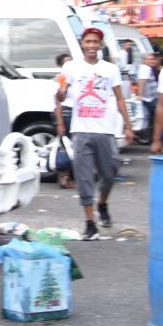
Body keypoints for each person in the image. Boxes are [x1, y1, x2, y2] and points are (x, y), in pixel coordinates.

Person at [56, 26, 134, 240]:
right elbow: (60, 96)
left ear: (100, 45)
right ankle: (90, 223)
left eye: (95, 42)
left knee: (109, 173)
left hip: (105, 129)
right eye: (88, 42)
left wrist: (128, 125)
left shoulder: (110, 69)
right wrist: (61, 94)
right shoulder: (71, 67)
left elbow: (119, 98)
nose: (91, 45)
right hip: (81, 130)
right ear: (82, 44)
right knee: (84, 178)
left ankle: (102, 203)